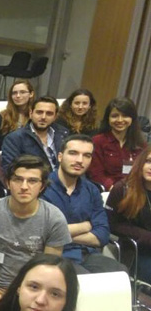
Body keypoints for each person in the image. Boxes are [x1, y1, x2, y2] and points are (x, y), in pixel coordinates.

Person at [0, 155, 71, 297]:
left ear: (42, 186)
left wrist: (25, 294)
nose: (24, 187)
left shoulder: (54, 218)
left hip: (32, 290)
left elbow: (48, 269)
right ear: (8, 183)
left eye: (32, 181)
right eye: (18, 180)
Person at [42, 134, 125, 273]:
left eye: (87, 155)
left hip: (86, 254)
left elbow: (102, 235)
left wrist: (60, 234)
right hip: (53, 254)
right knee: (83, 280)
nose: (80, 160)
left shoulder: (92, 190)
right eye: (73, 153)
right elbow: (42, 233)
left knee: (120, 273)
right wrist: (86, 226)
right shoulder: (42, 187)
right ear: (60, 157)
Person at [105, 144, 151, 283]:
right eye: (148, 161)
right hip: (137, 250)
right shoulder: (123, 188)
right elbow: (111, 224)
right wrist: (143, 235)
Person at [89, 96, 147, 190]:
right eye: (115, 116)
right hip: (106, 191)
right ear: (108, 118)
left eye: (125, 116)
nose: (120, 120)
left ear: (132, 119)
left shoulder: (141, 144)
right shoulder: (97, 141)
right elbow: (96, 173)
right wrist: (114, 189)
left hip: (135, 191)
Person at [1, 96, 69, 174]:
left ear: (55, 117)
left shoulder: (63, 134)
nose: (43, 117)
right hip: (35, 182)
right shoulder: (15, 138)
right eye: (39, 112)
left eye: (49, 114)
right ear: (31, 114)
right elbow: (10, 169)